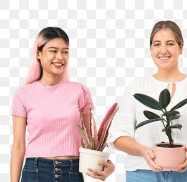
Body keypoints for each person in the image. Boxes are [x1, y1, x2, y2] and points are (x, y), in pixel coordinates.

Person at [107, 20, 187, 182]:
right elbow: (118, 136)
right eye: (157, 44)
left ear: (181, 47)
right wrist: (142, 150)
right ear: (151, 49)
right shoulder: (137, 86)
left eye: (170, 44)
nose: (163, 50)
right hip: (142, 172)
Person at [10, 27, 115, 182]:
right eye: (53, 51)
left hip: (72, 172)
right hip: (35, 172)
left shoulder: (80, 91)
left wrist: (108, 165)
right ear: (38, 53)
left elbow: (89, 142)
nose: (60, 57)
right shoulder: (23, 94)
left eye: (65, 51)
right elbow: (18, 145)